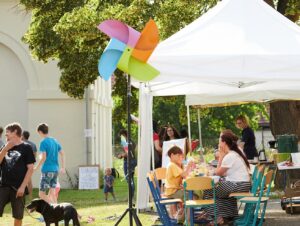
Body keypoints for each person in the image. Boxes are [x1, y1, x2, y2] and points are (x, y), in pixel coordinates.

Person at [202, 129, 251, 224]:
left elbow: (218, 173)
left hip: (238, 185)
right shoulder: (234, 153)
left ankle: (217, 217)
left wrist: (220, 155)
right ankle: (227, 217)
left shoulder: (230, 155)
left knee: (207, 189)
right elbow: (224, 173)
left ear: (224, 143)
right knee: (219, 192)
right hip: (241, 184)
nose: (218, 143)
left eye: (219, 141)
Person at [0, 123, 35, 226]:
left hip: (18, 187)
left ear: (15, 132)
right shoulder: (5, 147)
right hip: (3, 186)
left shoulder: (27, 147)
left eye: (7, 133)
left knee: (18, 215)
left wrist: (23, 187)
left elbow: (30, 169)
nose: (6, 136)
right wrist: (5, 149)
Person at [34, 123, 65, 204]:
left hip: (47, 170)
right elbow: (62, 153)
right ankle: (57, 213)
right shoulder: (55, 141)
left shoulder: (43, 142)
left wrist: (36, 167)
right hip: (55, 170)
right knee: (53, 193)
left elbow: (43, 157)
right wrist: (63, 167)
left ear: (40, 132)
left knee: (41, 194)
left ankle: (55, 208)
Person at [165, 146, 194, 219]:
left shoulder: (174, 165)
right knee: (191, 197)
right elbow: (184, 175)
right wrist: (189, 166)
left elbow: (184, 175)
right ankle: (186, 219)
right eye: (178, 155)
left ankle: (182, 216)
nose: (180, 158)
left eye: (181, 156)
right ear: (172, 155)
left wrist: (187, 167)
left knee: (193, 194)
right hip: (173, 191)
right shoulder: (172, 165)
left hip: (174, 190)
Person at [118, 129, 136, 199]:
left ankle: (130, 197)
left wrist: (121, 155)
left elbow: (128, 153)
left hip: (128, 161)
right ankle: (131, 196)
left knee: (129, 179)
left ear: (123, 135)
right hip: (133, 161)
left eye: (121, 136)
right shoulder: (132, 141)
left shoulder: (125, 142)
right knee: (131, 179)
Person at [21, 130, 37, 199]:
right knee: (29, 181)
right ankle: (30, 196)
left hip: (22, 164)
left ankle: (21, 195)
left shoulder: (21, 144)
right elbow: (35, 156)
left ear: (23, 136)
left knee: (21, 180)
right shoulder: (33, 144)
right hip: (30, 164)